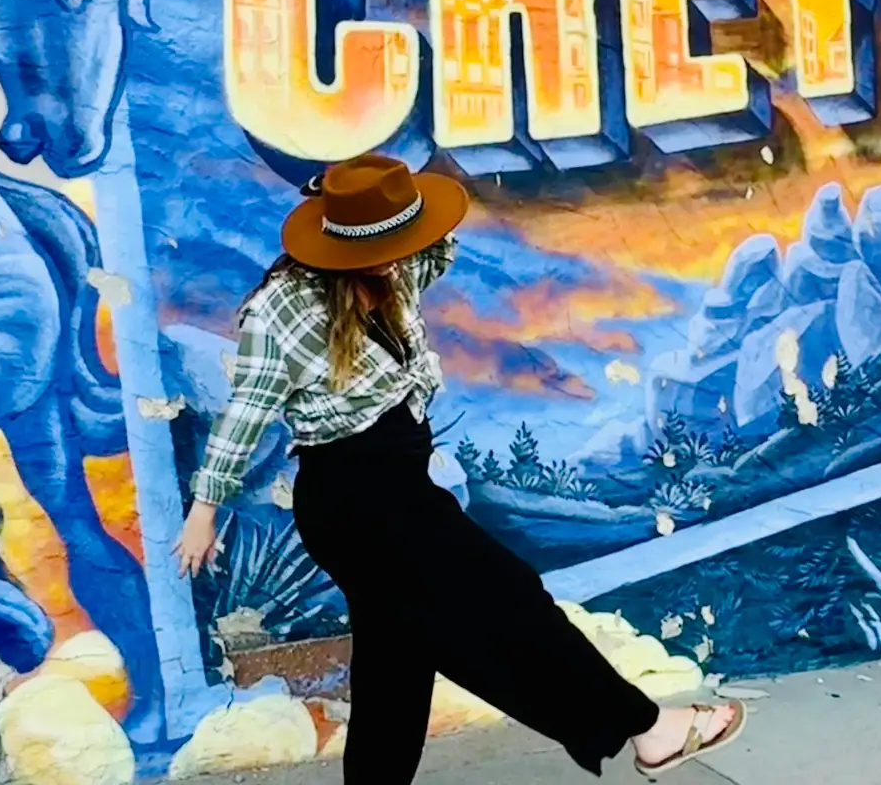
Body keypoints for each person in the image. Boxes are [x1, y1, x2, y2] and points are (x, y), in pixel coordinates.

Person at [175, 155, 744, 781]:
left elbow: (434, 242)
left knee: (397, 660)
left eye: (402, 239)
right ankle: (646, 728)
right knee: (509, 602)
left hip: (400, 489)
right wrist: (205, 510)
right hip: (354, 501)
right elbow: (246, 412)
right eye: (385, 244)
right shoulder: (284, 309)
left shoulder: (400, 265)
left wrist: (398, 201)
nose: (399, 258)